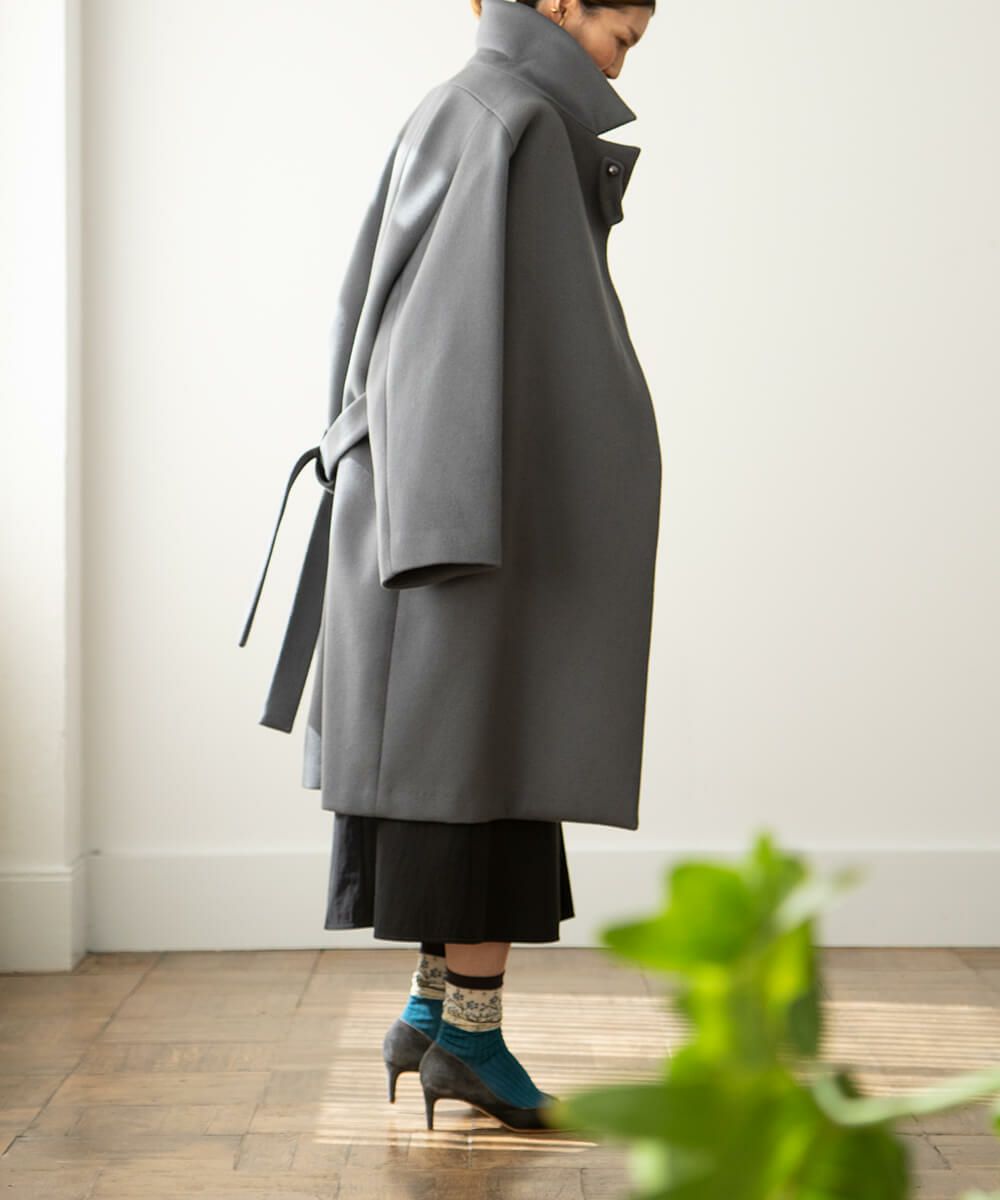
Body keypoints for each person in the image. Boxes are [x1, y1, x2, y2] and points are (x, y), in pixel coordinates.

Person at [240, 0, 658, 1133]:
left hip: (454, 510)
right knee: (484, 777)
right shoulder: (513, 116)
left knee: (458, 773)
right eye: (622, 33)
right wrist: (445, 535)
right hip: (463, 525)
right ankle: (468, 1041)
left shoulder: (476, 108)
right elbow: (437, 334)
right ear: (560, 3)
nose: (627, 61)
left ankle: (431, 1018)